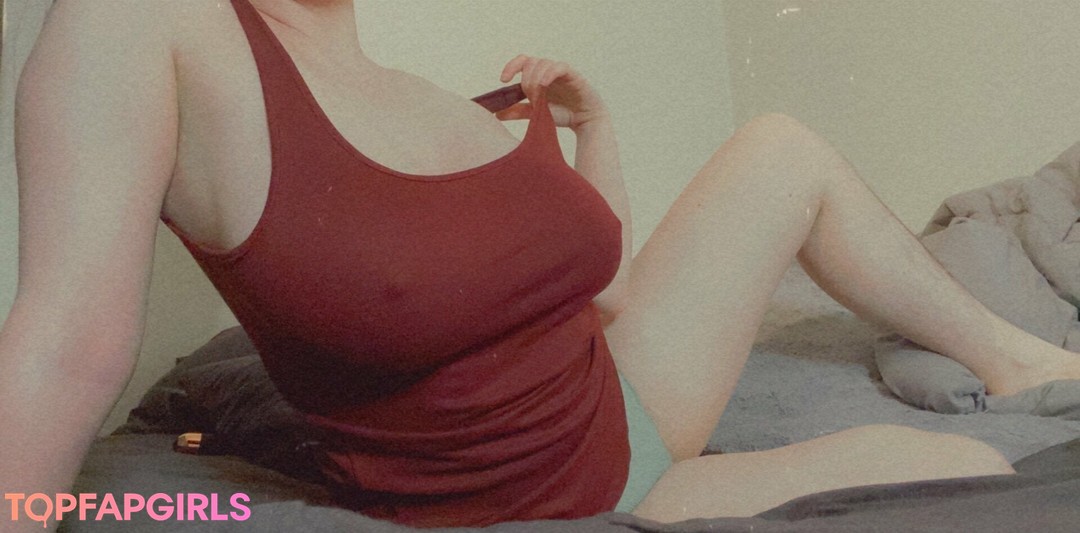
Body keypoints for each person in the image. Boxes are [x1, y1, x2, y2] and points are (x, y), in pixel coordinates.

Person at [3, 0, 1080, 530]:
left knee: (780, 148)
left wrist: (594, 128)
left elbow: (605, 289)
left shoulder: (415, 94)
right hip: (577, 485)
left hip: (622, 393)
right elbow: (64, 351)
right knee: (976, 476)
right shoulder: (143, 23)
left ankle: (1020, 358)